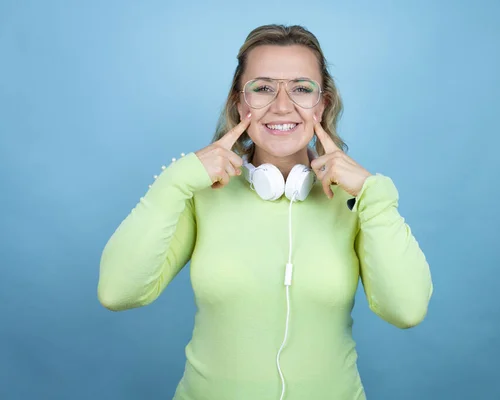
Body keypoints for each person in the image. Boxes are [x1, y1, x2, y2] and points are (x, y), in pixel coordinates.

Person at [98, 24, 433, 400]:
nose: (282, 106)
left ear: (322, 105)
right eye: (263, 88)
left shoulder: (356, 201)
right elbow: (117, 292)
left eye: (302, 89)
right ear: (241, 104)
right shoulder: (200, 192)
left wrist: (375, 196)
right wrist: (175, 181)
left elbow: (406, 310)